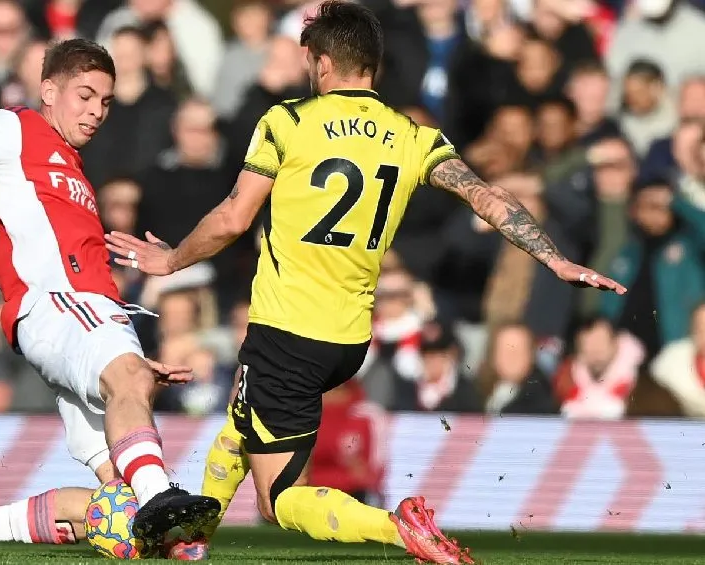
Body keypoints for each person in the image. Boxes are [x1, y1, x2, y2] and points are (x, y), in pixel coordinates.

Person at [105, 3, 626, 563]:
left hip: (287, 330)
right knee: (242, 416)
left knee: (277, 500)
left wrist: (170, 261)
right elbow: (487, 197)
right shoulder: (412, 135)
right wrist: (553, 258)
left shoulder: (287, 122)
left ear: (322, 63)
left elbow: (233, 218)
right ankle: (189, 542)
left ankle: (396, 528)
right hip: (351, 338)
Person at [0, 38, 219, 556]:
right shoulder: (19, 127)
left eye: (106, 102)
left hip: (72, 321)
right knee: (151, 493)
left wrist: (128, 365)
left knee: (125, 507)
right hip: (61, 304)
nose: (95, 111)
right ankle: (162, 494)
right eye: (85, 95)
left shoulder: (70, 165)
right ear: (49, 90)